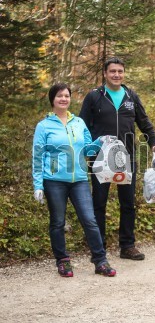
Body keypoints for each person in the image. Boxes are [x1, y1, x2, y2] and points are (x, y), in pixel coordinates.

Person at [79, 57, 155, 261]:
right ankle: (98, 248)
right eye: (112, 71)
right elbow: (82, 127)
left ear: (124, 73)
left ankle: (127, 246)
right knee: (98, 203)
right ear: (105, 74)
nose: (116, 75)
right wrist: (88, 151)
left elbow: (145, 124)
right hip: (100, 159)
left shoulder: (131, 96)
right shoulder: (94, 97)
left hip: (126, 158)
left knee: (127, 204)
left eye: (120, 71)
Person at [32, 83, 117, 277]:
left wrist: (99, 142)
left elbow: (87, 150)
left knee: (90, 220)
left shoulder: (78, 123)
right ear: (52, 99)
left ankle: (100, 261)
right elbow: (38, 156)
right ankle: (63, 261)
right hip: (54, 181)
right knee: (58, 222)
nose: (63, 99)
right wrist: (38, 185)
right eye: (59, 96)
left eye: (67, 96)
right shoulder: (44, 126)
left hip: (79, 179)